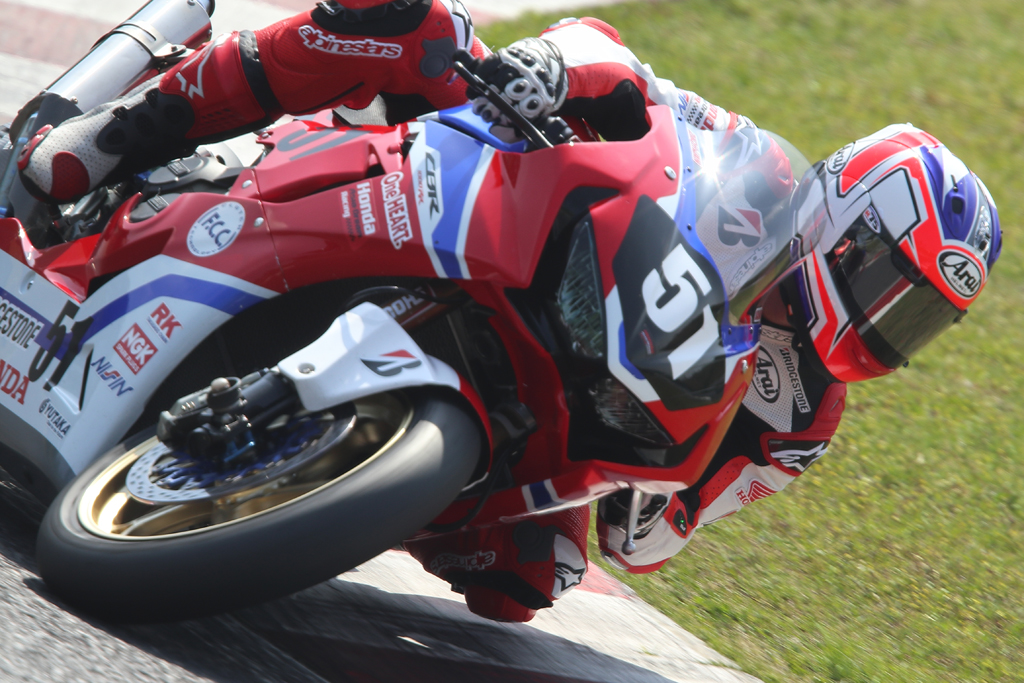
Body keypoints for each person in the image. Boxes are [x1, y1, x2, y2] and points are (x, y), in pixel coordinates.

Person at [15, 0, 1002, 622]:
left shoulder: (803, 417)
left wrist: (661, 483)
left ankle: (305, 472)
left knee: (527, 580)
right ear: (851, 226)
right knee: (414, 22)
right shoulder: (759, 169)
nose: (887, 322)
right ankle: (116, 137)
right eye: (894, 286)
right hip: (490, 198)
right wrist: (558, 71)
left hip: (566, 404)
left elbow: (653, 537)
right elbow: (627, 73)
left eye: (915, 319)